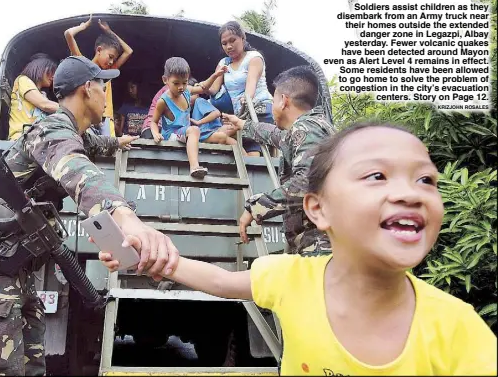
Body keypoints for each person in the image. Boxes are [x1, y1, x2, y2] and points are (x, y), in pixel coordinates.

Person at [100, 122, 498, 376]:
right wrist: (151, 258)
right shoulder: (291, 275)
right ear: (317, 209)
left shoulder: (460, 331)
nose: (409, 193)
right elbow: (220, 281)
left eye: (426, 180)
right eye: (377, 175)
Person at [0, 56, 179, 376]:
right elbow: (79, 173)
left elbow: (94, 144)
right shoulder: (53, 130)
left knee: (32, 369)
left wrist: (121, 141)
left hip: (15, 271)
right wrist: (129, 220)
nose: (106, 94)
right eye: (103, 86)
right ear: (87, 89)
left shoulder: (73, 132)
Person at [223, 66, 334, 255]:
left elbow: (307, 181)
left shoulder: (306, 129)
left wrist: (256, 206)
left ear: (283, 101)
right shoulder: (310, 127)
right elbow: (276, 136)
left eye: (273, 99)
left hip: (320, 246)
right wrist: (243, 124)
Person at [150, 57, 227, 179]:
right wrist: (155, 133)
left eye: (184, 82)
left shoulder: (187, 91)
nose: (181, 87)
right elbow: (153, 122)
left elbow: (203, 88)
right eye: (176, 83)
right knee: (194, 130)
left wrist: (216, 75)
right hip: (172, 135)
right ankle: (194, 167)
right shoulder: (163, 101)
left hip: (186, 133)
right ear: (165, 80)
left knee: (220, 136)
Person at [207, 20, 275, 157]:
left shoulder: (254, 58)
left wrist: (245, 100)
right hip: (241, 115)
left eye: (232, 41)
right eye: (224, 43)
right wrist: (206, 82)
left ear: (242, 38)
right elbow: (212, 90)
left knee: (219, 135)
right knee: (251, 156)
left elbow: (251, 86)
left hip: (259, 111)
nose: (229, 46)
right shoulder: (223, 63)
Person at [64, 14, 133, 137]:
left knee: (109, 152)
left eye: (114, 59)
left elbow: (128, 51)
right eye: (110, 57)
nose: (112, 62)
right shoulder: (84, 65)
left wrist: (109, 31)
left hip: (106, 118)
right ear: (99, 50)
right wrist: (83, 26)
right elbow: (68, 34)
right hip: (88, 116)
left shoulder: (110, 71)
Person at [8, 53, 59, 141]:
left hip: (38, 139)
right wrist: (72, 110)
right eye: (51, 71)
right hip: (22, 138)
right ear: (40, 67)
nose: (53, 76)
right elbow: (44, 105)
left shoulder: (43, 95)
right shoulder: (23, 80)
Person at [188, 77, 238, 147]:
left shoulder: (199, 101)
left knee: (226, 137)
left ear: (197, 93)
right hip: (205, 134)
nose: (188, 98)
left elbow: (216, 113)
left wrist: (199, 122)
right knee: (227, 139)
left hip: (211, 131)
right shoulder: (188, 109)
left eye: (191, 95)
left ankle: (245, 157)